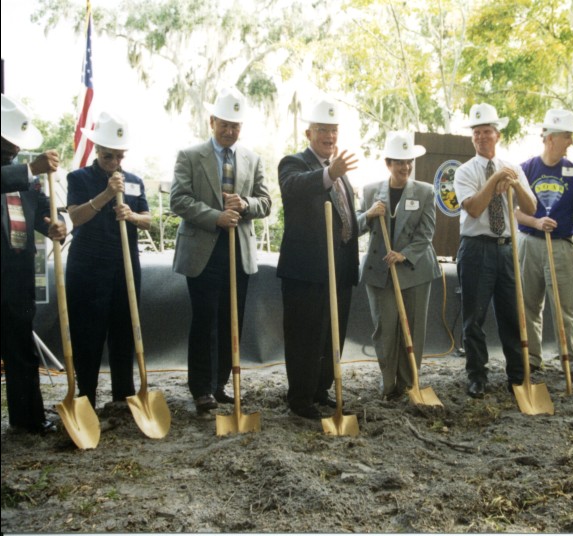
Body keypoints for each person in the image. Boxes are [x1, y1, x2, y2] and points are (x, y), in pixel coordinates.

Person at [171, 87, 271, 413]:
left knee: (231, 320)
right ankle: (200, 388)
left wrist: (244, 205)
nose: (229, 131)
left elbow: (266, 202)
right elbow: (179, 200)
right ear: (212, 121)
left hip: (237, 252)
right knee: (205, 320)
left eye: (236, 126)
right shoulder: (189, 156)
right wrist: (216, 216)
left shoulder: (252, 159)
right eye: (224, 124)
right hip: (203, 251)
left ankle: (219, 383)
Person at [277, 99, 359, 419]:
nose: (329, 136)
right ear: (309, 132)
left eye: (334, 130)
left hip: (339, 267)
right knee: (305, 335)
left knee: (330, 335)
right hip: (307, 271)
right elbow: (293, 188)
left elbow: (344, 215)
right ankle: (300, 399)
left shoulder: (339, 169)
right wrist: (328, 173)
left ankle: (321, 389)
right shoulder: (293, 163)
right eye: (323, 130)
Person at [65, 111, 150, 410]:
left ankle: (123, 397)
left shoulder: (135, 182)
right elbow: (75, 218)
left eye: (119, 157)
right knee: (88, 332)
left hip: (124, 266)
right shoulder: (78, 178)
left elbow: (148, 220)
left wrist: (132, 215)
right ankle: (86, 396)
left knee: (125, 330)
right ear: (97, 152)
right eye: (108, 157)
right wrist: (106, 195)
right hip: (87, 266)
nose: (114, 163)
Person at [453, 103, 537, 398]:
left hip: (506, 248)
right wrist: (493, 179)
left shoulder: (513, 168)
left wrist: (514, 183)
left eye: (487, 131)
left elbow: (531, 208)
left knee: (512, 314)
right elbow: (474, 209)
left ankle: (517, 374)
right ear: (472, 138)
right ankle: (477, 376)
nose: (481, 137)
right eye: (476, 133)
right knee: (473, 317)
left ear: (497, 135)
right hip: (476, 248)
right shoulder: (463, 172)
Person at [357, 131, 441, 400]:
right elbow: (354, 226)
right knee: (385, 329)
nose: (405, 167)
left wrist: (403, 254)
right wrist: (369, 214)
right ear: (388, 163)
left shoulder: (426, 192)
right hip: (380, 272)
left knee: (413, 328)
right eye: (399, 162)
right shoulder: (370, 191)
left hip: (414, 271)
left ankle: (409, 384)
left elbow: (426, 234)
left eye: (408, 162)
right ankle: (388, 384)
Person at [515, 109, 573, 384]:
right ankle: (533, 360)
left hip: (561, 245)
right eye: (567, 136)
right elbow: (516, 212)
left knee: (565, 307)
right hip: (530, 243)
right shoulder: (526, 169)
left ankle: (571, 364)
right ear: (550, 138)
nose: (571, 142)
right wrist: (536, 223)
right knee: (528, 304)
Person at [1, 94, 66, 433]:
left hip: (17, 277)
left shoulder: (27, 177)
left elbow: (44, 212)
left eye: (15, 145)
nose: (13, 149)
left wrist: (55, 225)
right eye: (8, 142)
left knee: (21, 349)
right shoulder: (20, 171)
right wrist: (28, 168)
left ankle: (28, 421)